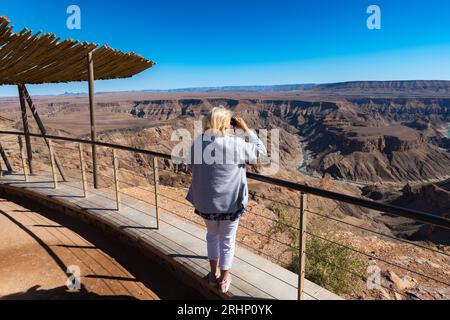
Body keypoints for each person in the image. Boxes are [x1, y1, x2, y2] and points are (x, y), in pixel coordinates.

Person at [186, 106, 267, 293]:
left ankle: (213, 275)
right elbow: (261, 153)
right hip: (231, 203)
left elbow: (191, 164)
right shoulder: (237, 144)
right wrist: (246, 129)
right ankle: (224, 278)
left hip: (206, 202)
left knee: (212, 236)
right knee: (227, 240)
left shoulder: (199, 142)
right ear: (226, 124)